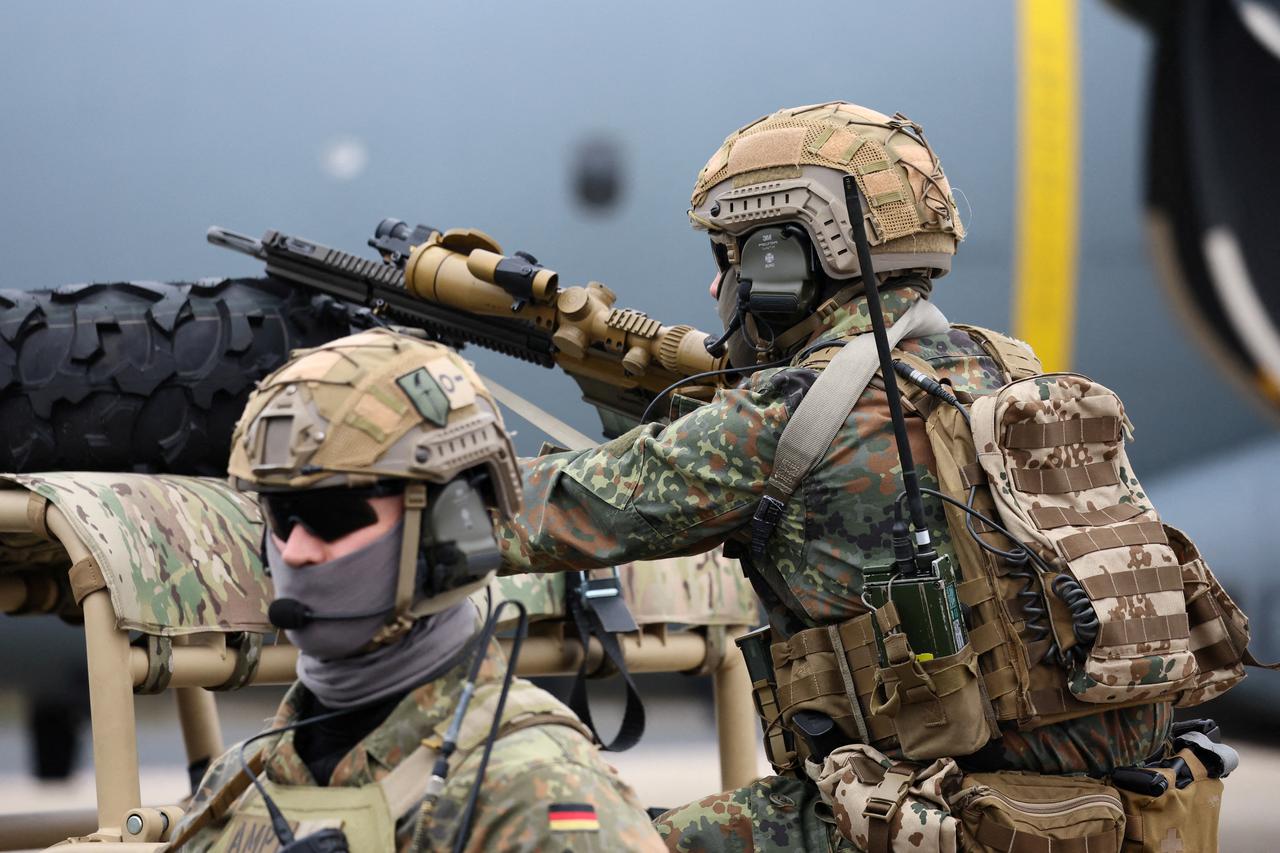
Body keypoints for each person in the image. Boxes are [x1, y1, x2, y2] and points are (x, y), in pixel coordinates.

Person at [497, 102, 1172, 851]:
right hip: (1100, 813)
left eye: (732, 256)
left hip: (927, 816)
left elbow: (551, 512)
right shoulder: (1003, 370)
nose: (720, 284)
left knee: (576, 839)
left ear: (783, 260)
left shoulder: (791, 412)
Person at [167, 329, 664, 852]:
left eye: (333, 515)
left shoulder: (533, 792)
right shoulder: (239, 783)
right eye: (278, 516)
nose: (294, 551)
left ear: (450, 529)